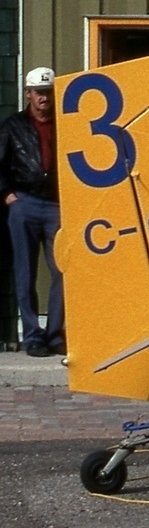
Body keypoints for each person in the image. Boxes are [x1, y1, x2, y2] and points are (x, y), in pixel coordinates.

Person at [0, 67, 65, 356]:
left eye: (48, 92)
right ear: (28, 93)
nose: (44, 98)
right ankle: (32, 335)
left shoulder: (67, 124)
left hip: (58, 205)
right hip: (24, 203)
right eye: (38, 92)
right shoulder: (13, 126)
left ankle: (55, 332)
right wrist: (7, 195)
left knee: (62, 270)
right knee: (25, 272)